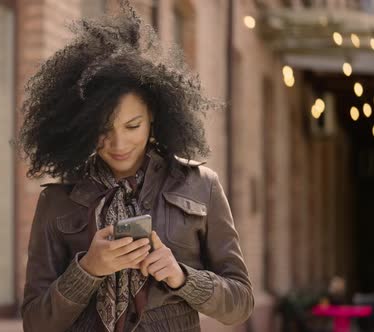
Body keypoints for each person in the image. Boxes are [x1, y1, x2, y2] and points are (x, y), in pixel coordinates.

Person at [16, 1, 254, 331]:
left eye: (132, 126)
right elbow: (35, 323)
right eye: (102, 129)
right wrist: (88, 270)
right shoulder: (57, 200)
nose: (118, 144)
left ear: (154, 116)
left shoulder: (201, 184)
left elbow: (240, 305)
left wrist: (181, 276)